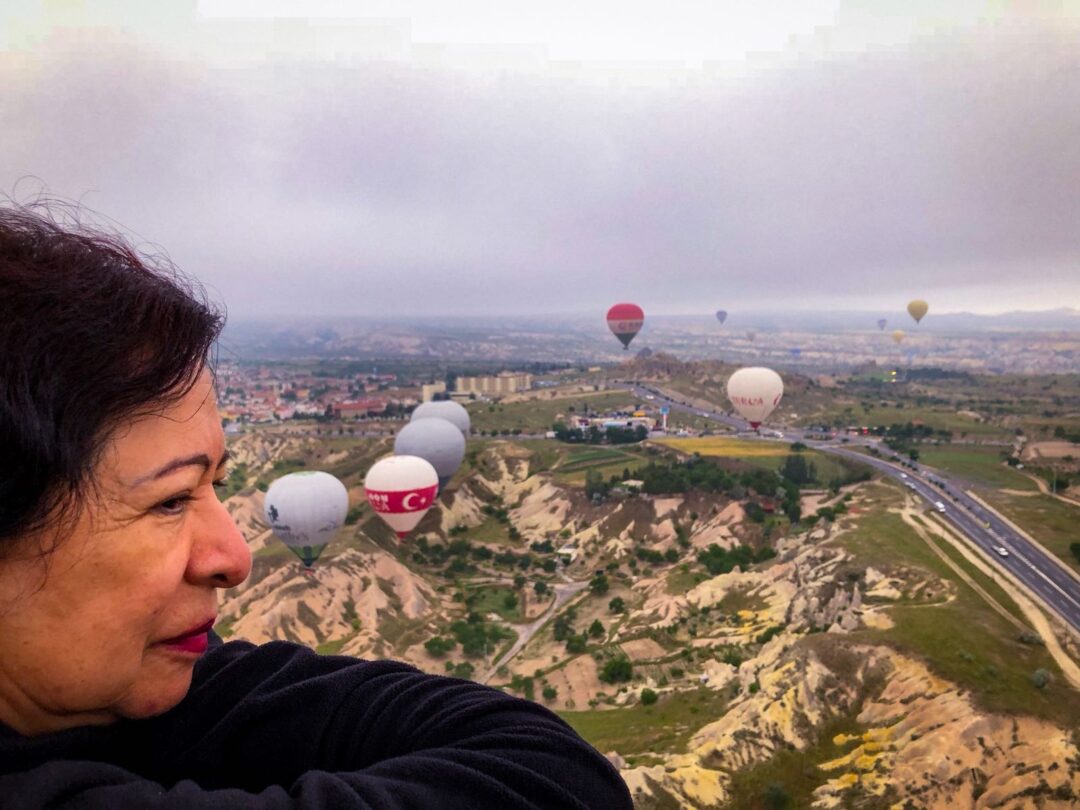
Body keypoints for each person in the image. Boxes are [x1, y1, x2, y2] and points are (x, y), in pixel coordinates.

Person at [0, 203, 632, 809]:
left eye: (216, 485)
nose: (235, 555)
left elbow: (552, 771)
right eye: (168, 501)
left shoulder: (134, 693)